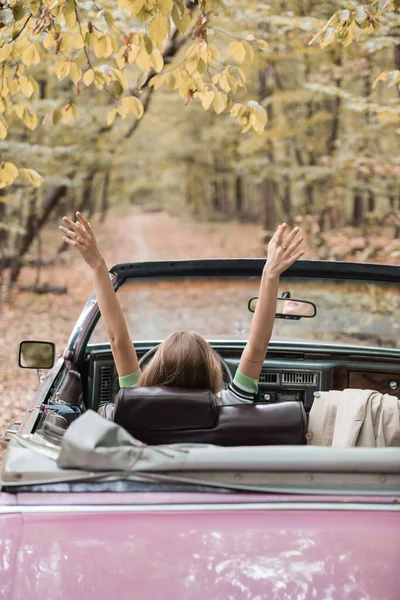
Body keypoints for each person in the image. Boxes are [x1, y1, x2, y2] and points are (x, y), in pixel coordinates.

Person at [59, 213, 304, 406]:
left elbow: (117, 339)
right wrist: (270, 273)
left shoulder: (136, 399)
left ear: (156, 369)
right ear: (211, 371)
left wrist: (97, 265)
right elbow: (259, 344)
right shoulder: (232, 403)